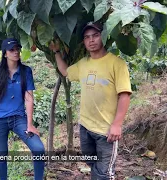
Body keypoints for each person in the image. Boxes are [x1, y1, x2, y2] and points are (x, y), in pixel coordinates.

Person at [50, 22, 132, 180]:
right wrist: (57, 52)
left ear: (103, 36)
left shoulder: (117, 63)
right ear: (83, 41)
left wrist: (117, 124)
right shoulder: (83, 64)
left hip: (106, 131)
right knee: (91, 161)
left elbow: (124, 95)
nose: (91, 40)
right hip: (85, 127)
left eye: (95, 35)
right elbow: (66, 71)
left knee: (104, 173)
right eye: (87, 37)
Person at [0, 38, 45, 180]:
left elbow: (29, 98)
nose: (16, 52)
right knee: (2, 155)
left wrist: (29, 124)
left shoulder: (25, 71)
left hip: (18, 119)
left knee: (38, 149)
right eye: (12, 50)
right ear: (5, 54)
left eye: (17, 49)